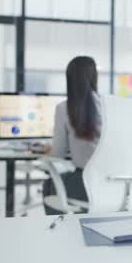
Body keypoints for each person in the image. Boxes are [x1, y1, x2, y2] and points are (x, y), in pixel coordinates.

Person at [42, 56, 101, 215]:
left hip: (85, 184)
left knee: (49, 185)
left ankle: (59, 233)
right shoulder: (110, 105)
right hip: (115, 185)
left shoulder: (64, 108)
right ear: (94, 77)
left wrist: (48, 150)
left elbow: (58, 153)